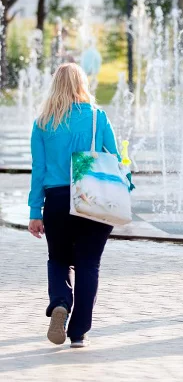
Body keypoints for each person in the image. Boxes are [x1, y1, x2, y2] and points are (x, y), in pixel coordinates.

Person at [28, 63, 121, 348]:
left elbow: (38, 170)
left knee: (57, 259)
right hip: (92, 196)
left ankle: (59, 302)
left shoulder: (43, 122)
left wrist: (35, 211)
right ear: (83, 84)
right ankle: (78, 332)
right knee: (88, 263)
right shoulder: (97, 116)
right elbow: (114, 159)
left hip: (56, 199)